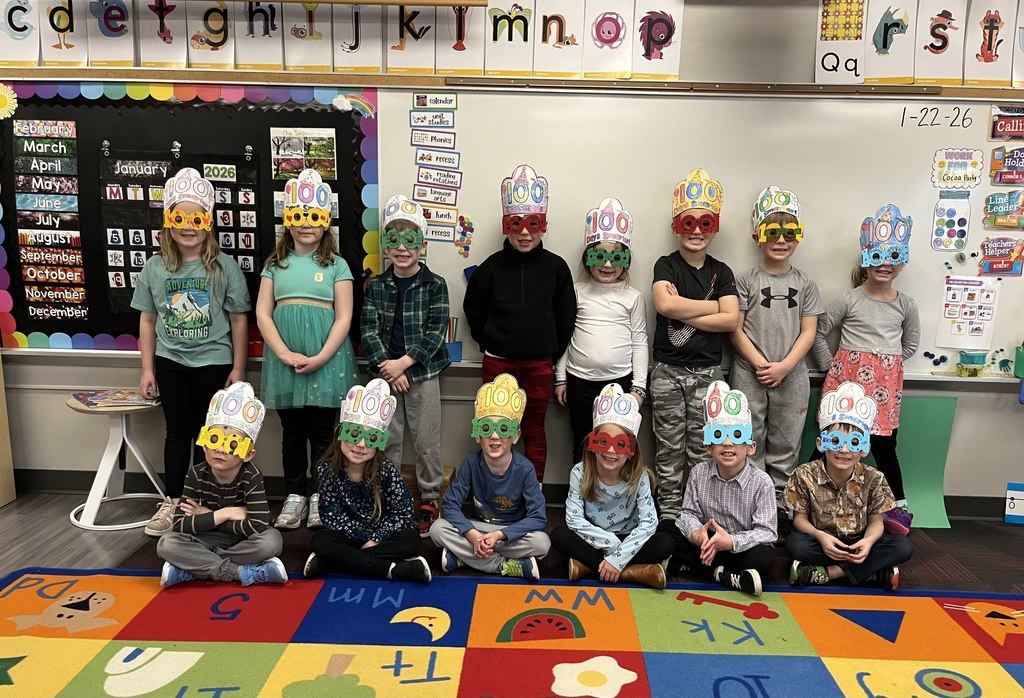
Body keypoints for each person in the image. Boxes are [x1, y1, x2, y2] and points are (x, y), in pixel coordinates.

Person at [133, 167, 250, 537]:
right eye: (180, 218)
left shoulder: (224, 267)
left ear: (208, 222)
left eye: (196, 218)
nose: (188, 226)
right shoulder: (154, 268)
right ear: (169, 222)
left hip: (214, 362)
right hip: (171, 362)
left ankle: (208, 502)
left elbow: (238, 320)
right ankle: (171, 501)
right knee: (177, 431)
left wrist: (239, 368)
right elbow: (148, 322)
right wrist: (147, 369)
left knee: (210, 433)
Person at [256, 169, 359, 531]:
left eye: (314, 218)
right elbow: (262, 314)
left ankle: (320, 495)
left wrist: (321, 357)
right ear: (288, 220)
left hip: (327, 363)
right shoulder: (275, 264)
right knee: (291, 433)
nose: (306, 225)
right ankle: (295, 494)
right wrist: (284, 354)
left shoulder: (337, 265)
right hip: (286, 362)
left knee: (322, 433)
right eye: (298, 217)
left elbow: (344, 317)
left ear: (325, 222)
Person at [463, 164, 577, 482]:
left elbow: (567, 315)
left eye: (533, 224)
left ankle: (533, 492)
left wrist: (551, 351)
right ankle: (495, 493)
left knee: (532, 430)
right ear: (507, 225)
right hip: (497, 363)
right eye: (516, 224)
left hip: (539, 364)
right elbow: (473, 308)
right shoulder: (491, 268)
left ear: (543, 224)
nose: (525, 233)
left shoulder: (556, 268)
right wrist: (487, 341)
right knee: (495, 429)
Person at [812, 203, 920, 535]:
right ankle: (812, 501)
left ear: (901, 263)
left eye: (892, 258)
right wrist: (833, 367)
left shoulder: (905, 305)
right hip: (845, 385)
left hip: (884, 391)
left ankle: (897, 509)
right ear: (866, 258)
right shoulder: (849, 299)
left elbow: (911, 345)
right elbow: (818, 331)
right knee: (832, 444)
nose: (884, 265)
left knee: (885, 449)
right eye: (877, 257)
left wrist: (884, 364)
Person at [729, 187, 823, 528]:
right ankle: (749, 507)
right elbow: (734, 328)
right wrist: (760, 363)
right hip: (748, 373)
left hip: (792, 376)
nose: (780, 240)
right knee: (749, 442)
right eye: (772, 232)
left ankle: (780, 509)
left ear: (798, 238)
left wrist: (784, 366)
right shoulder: (745, 280)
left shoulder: (806, 283)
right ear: (758, 236)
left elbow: (809, 332)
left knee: (785, 445)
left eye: (789, 233)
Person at [651, 168, 740, 524]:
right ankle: (671, 521)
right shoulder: (665, 264)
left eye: (705, 223)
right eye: (689, 223)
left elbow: (732, 320)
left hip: (708, 375)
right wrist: (714, 307)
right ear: (677, 226)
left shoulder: (722, 270)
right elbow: (665, 306)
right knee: (669, 452)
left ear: (714, 226)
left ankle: (699, 517)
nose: (697, 231)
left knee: (704, 452)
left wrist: (689, 308)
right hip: (667, 372)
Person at [361, 194, 451, 536]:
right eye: (394, 240)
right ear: (386, 245)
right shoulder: (377, 286)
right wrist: (388, 367)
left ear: (422, 245)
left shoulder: (435, 285)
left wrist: (403, 366)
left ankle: (430, 498)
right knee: (389, 441)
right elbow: (367, 330)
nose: (402, 248)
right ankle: (392, 497)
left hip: (422, 374)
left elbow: (435, 333)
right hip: (385, 376)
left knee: (427, 441)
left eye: (410, 241)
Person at [784, 381, 914, 591]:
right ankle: (872, 572)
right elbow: (799, 520)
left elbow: (876, 523)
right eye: (835, 440)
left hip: (858, 541)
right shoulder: (804, 474)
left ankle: (831, 572)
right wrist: (820, 536)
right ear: (821, 443)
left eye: (854, 442)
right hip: (821, 541)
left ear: (865, 449)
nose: (844, 450)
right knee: (795, 544)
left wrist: (869, 542)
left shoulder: (874, 478)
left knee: (902, 546)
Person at [157, 382, 286, 587]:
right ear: (204, 443)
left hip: (239, 542)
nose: (221, 450)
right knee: (167, 543)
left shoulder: (252, 476)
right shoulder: (196, 473)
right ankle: (240, 571)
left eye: (233, 444)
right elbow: (179, 523)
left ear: (248, 454)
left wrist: (205, 514)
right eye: (214, 440)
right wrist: (225, 513)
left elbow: (257, 525)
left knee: (271, 541)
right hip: (206, 538)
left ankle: (196, 568)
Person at [302, 379, 431, 582]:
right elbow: (332, 518)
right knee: (322, 540)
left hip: (383, 537)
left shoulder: (386, 470)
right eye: (354, 434)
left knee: (411, 541)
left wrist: (377, 538)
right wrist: (364, 538)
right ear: (339, 434)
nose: (361, 444)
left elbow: (403, 513)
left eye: (371, 439)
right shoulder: (326, 469)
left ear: (379, 443)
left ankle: (332, 563)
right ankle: (391, 569)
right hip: (349, 537)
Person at [429, 373, 550, 580]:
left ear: (516, 435)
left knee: (542, 543)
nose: (494, 436)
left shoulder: (525, 469)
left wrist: (498, 536)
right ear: (477, 436)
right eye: (486, 429)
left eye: (503, 430)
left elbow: (538, 517)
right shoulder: (471, 463)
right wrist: (474, 536)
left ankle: (462, 558)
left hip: (509, 533)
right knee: (437, 529)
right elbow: (449, 505)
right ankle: (502, 566)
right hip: (478, 529)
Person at [550, 383, 673, 589]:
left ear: (631, 449)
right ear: (592, 443)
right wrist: (614, 548)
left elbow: (649, 524)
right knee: (559, 536)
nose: (611, 451)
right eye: (603, 441)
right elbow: (573, 520)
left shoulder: (640, 476)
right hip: (595, 538)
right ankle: (634, 572)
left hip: (629, 539)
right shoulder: (579, 472)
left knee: (665, 542)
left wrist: (618, 555)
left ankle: (590, 567)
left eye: (620, 444)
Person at [555, 198, 649, 464]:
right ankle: (580, 502)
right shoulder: (576, 292)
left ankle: (615, 503)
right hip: (579, 382)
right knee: (583, 442)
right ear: (588, 259)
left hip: (620, 382)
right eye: (599, 257)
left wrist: (639, 388)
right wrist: (560, 378)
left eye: (616, 258)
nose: (607, 265)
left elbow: (640, 341)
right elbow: (565, 336)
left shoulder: (633, 297)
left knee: (617, 446)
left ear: (625, 261)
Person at [668, 381, 777, 596]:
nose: (727, 444)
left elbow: (767, 532)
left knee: (764, 556)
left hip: (740, 547)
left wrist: (731, 542)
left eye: (736, 436)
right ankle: (726, 575)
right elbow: (687, 514)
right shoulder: (699, 472)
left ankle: (707, 569)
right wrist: (697, 536)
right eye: (719, 437)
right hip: (707, 543)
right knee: (667, 531)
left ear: (751, 447)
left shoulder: (762, 482)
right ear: (708, 447)